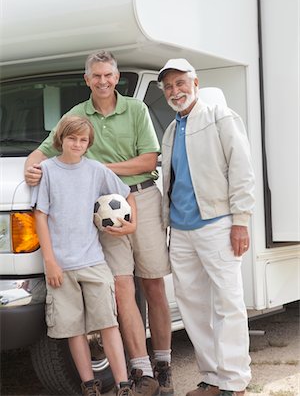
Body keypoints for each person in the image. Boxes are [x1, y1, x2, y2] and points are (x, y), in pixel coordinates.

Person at [24, 51, 173, 396]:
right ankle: (141, 370)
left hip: (142, 198)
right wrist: (31, 168)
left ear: (116, 77)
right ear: (87, 79)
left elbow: (149, 159)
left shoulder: (135, 110)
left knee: (152, 285)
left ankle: (164, 364)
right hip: (102, 210)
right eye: (97, 76)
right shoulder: (77, 114)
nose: (103, 81)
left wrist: (99, 170)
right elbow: (46, 150)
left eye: (109, 75)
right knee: (122, 288)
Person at [158, 58, 255, 396]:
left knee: (227, 303)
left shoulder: (219, 117)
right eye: (169, 86)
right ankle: (213, 378)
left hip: (218, 224)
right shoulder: (171, 130)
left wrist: (240, 221)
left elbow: (241, 171)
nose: (175, 91)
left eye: (181, 83)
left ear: (195, 83)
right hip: (181, 231)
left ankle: (234, 382)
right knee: (193, 306)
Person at [31, 115, 137, 396]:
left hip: (93, 262)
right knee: (73, 329)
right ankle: (89, 385)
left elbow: (126, 195)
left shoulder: (96, 170)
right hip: (61, 268)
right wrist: (50, 261)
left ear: (89, 143)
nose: (77, 144)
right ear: (60, 140)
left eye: (82, 140)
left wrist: (132, 223)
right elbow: (40, 216)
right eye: (71, 138)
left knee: (108, 323)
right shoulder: (48, 171)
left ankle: (123, 385)